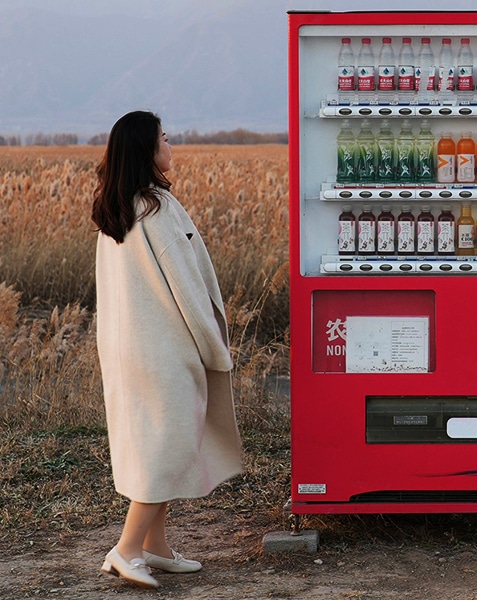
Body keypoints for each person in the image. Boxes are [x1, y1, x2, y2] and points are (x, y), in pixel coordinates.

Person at [91, 110, 243, 589]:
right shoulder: (157, 208)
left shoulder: (115, 209)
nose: (172, 145)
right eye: (165, 138)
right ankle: (127, 549)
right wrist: (213, 345)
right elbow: (188, 289)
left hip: (127, 349)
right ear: (146, 150)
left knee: (154, 445)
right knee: (169, 450)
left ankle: (155, 546)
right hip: (165, 351)